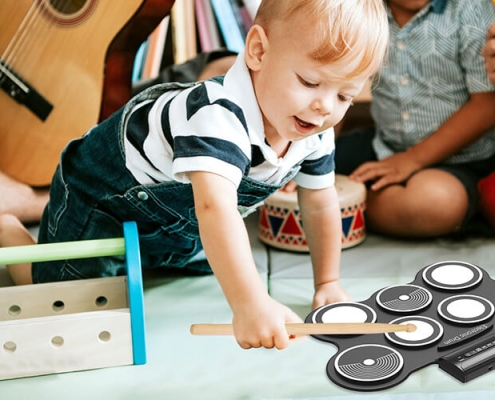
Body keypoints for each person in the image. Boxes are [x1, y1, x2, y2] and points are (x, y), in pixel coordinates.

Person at [0, 0, 389, 350]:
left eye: (344, 96)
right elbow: (214, 209)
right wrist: (250, 304)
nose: (324, 108)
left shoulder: (313, 129)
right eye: (309, 82)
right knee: (66, 310)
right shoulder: (216, 115)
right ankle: (10, 233)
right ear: (257, 51)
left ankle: (137, 256)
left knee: (217, 262)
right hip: (101, 198)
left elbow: (320, 203)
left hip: (175, 220)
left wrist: (328, 283)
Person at [333, 0, 495, 238]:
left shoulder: (471, 10)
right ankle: (330, 196)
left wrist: (412, 160)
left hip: (461, 159)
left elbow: (487, 105)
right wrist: (312, 159)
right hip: (384, 143)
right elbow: (334, 86)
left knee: (434, 204)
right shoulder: (361, 10)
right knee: (294, 170)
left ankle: (336, 208)